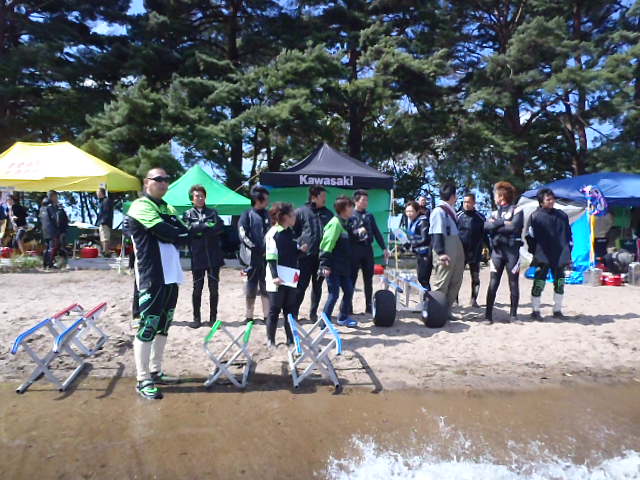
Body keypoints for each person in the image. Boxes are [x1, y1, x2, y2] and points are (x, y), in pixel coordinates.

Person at [126, 168, 189, 400]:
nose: (163, 183)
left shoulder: (167, 207)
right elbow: (166, 232)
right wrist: (177, 232)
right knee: (148, 325)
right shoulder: (140, 205)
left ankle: (155, 370)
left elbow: (183, 231)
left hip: (172, 274)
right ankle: (142, 378)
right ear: (146, 182)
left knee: (164, 324)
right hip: (152, 274)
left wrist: (179, 232)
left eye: (166, 179)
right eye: (158, 179)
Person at [182, 184, 225, 328]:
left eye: (202, 196)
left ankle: (213, 318)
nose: (200, 198)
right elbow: (188, 230)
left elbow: (219, 228)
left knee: (214, 289)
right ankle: (196, 318)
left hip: (214, 256)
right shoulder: (187, 214)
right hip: (197, 256)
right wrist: (205, 226)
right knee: (197, 288)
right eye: (197, 196)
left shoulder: (213, 212)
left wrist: (201, 228)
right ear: (192, 198)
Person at [265, 202, 307, 348]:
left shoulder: (291, 232)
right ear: (285, 216)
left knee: (290, 309)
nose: (295, 217)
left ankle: (290, 339)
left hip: (291, 274)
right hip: (277, 276)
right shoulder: (273, 233)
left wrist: (301, 251)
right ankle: (271, 340)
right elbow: (271, 257)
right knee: (274, 309)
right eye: (293, 214)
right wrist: (275, 276)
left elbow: (293, 254)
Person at [526, 188, 572, 319]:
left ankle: (557, 310)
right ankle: (535, 310)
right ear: (541, 202)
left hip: (559, 254)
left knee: (560, 282)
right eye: (548, 199)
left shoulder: (562, 216)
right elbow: (530, 237)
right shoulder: (535, 216)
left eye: (553, 198)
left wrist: (567, 251)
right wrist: (535, 252)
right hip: (542, 255)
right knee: (539, 282)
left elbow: (568, 234)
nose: (552, 201)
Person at [484, 181, 524, 324]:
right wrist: (502, 222)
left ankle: (513, 316)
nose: (494, 197)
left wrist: (495, 225)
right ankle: (488, 316)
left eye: (496, 195)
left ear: (501, 196)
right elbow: (486, 227)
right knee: (493, 283)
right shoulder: (494, 213)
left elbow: (513, 228)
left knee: (513, 283)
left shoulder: (517, 210)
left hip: (512, 253)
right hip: (497, 253)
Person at [293, 186, 333, 322]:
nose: (325, 199)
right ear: (314, 197)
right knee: (301, 286)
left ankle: (313, 314)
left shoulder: (328, 214)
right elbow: (293, 232)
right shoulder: (301, 212)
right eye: (322, 196)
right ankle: (294, 313)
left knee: (318, 286)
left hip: (321, 257)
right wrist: (299, 245)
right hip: (304, 257)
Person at [348, 190, 389, 314]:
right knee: (352, 279)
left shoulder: (369, 215)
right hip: (354, 249)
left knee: (368, 280)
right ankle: (348, 306)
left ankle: (369, 306)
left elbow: (376, 232)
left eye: (367, 200)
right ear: (356, 201)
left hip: (367, 250)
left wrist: (384, 248)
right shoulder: (350, 214)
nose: (366, 202)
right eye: (363, 200)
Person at [320, 196, 357, 327]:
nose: (353, 209)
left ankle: (343, 317)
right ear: (343, 208)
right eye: (350, 206)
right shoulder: (335, 223)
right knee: (334, 295)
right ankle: (324, 323)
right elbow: (327, 245)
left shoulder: (346, 223)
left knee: (349, 291)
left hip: (344, 266)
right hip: (333, 266)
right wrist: (325, 264)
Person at [429, 183, 465, 313]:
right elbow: (436, 233)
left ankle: (446, 311)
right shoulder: (439, 211)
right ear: (453, 196)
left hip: (455, 243)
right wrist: (441, 253)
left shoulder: (451, 210)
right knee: (442, 281)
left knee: (456, 279)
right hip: (445, 245)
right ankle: (436, 311)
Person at [238, 185, 271, 324]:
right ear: (258, 199)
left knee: (266, 287)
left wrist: (267, 249)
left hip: (266, 257)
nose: (268, 201)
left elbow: (272, 232)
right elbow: (242, 234)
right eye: (266, 199)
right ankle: (249, 316)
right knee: (251, 287)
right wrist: (255, 248)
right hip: (251, 258)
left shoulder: (268, 214)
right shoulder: (247, 214)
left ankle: (267, 315)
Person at [457, 193, 486, 308]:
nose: (466, 204)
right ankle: (455, 300)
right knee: (457, 277)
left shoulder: (480, 217)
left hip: (475, 251)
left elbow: (485, 235)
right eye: (464, 202)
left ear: (474, 203)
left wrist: (489, 250)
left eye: (469, 202)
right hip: (460, 251)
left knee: (475, 277)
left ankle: (474, 300)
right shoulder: (457, 216)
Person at [404, 200, 432, 293]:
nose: (409, 214)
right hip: (419, 253)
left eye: (411, 211)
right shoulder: (412, 221)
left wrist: (412, 244)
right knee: (421, 278)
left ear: (417, 211)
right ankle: (425, 297)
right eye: (407, 211)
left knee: (423, 278)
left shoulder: (423, 221)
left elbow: (425, 239)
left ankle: (428, 298)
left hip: (426, 253)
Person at [39, 191, 69, 269]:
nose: (57, 198)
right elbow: (55, 219)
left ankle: (45, 264)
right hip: (52, 231)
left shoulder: (42, 208)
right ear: (52, 197)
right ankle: (49, 264)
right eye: (56, 197)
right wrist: (59, 230)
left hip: (45, 231)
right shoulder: (51, 207)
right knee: (52, 248)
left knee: (47, 248)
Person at [96, 188, 114, 257]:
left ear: (101, 193)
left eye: (98, 192)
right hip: (101, 222)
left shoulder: (106, 201)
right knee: (102, 237)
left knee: (105, 237)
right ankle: (104, 251)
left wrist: (103, 221)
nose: (97, 194)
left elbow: (106, 212)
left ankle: (106, 252)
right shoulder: (101, 201)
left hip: (105, 222)